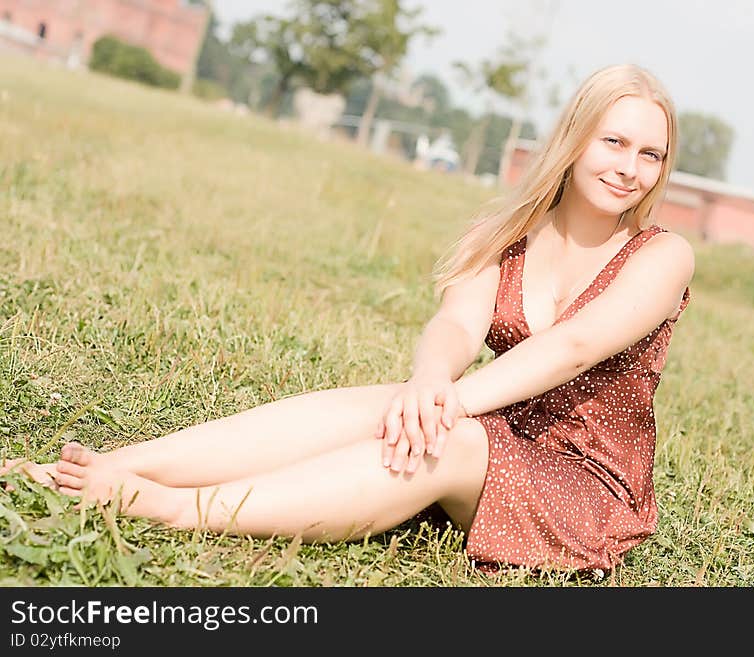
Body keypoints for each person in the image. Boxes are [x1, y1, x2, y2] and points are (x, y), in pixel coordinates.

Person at [1, 62, 693, 574]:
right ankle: (104, 467)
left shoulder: (662, 256)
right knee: (398, 404)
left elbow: (573, 346)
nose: (630, 167)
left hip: (586, 485)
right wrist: (427, 380)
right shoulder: (510, 230)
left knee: (443, 436)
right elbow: (455, 323)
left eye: (649, 153)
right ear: (575, 140)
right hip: (493, 430)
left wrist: (446, 405)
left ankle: (174, 506)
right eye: (614, 142)